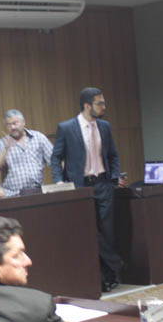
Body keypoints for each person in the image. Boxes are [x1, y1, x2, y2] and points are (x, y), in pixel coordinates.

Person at [50, 87, 126, 292]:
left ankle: (108, 276)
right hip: (80, 187)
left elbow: (113, 155)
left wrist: (114, 177)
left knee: (106, 231)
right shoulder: (66, 128)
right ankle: (113, 267)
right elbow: (56, 157)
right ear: (87, 105)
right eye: (100, 103)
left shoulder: (105, 126)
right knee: (90, 231)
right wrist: (58, 182)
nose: (104, 107)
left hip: (103, 184)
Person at [0, 109, 54, 196]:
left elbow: (54, 161)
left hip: (38, 191)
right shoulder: (1, 143)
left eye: (15, 123)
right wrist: (6, 149)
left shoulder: (38, 138)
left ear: (23, 122)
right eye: (8, 125)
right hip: (12, 194)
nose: (13, 127)